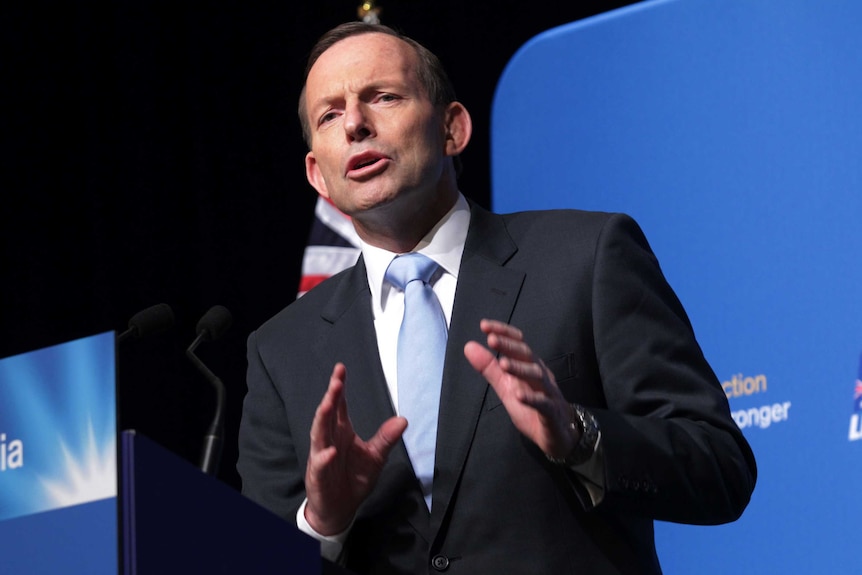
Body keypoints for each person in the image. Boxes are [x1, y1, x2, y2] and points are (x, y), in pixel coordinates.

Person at [238, 21, 756, 575]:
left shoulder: (585, 257)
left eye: (382, 97)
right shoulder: (281, 351)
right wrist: (324, 522)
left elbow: (719, 468)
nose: (356, 125)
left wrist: (578, 436)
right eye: (330, 115)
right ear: (317, 174)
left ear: (452, 128)